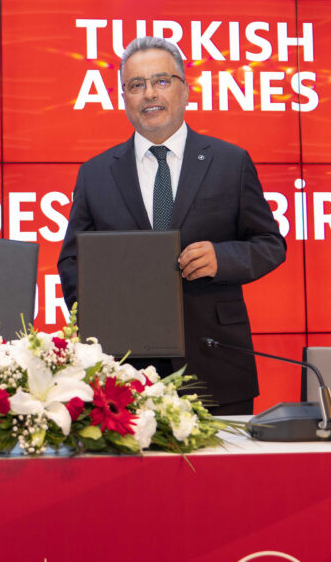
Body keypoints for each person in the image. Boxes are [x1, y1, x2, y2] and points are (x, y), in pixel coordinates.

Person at [57, 36, 285, 415]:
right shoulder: (95, 173)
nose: (150, 94)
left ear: (185, 90)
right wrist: (103, 321)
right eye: (136, 85)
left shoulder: (231, 162)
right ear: (123, 97)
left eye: (161, 81)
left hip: (215, 362)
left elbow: (270, 244)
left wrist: (222, 258)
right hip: (122, 372)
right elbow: (72, 262)